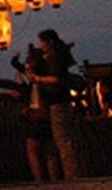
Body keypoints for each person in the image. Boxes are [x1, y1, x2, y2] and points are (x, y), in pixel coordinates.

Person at [26, 29, 81, 179]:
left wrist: (37, 79)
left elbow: (57, 79)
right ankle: (69, 172)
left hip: (57, 101)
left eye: (42, 42)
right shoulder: (58, 56)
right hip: (61, 101)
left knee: (62, 138)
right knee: (62, 138)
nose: (41, 45)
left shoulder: (54, 58)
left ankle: (71, 174)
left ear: (49, 41)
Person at [12, 44, 61, 182]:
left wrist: (15, 58)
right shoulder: (46, 75)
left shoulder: (36, 79)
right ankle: (54, 177)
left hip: (37, 115)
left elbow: (18, 66)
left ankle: (39, 179)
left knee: (32, 149)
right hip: (48, 115)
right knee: (49, 150)